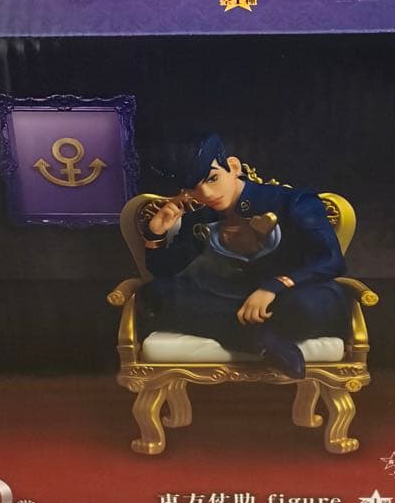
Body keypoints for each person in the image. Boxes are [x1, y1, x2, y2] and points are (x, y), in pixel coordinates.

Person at [136, 133, 350, 379]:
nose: (206, 193)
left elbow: (332, 260)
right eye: (193, 188)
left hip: (293, 294)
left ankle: (242, 332)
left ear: (234, 167)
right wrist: (155, 233)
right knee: (157, 294)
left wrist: (274, 286)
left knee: (309, 308)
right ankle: (258, 338)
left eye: (213, 179)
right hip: (230, 298)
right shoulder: (201, 216)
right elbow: (164, 271)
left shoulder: (294, 202)